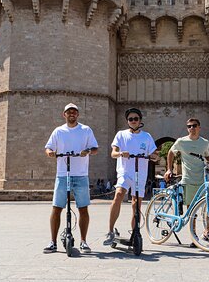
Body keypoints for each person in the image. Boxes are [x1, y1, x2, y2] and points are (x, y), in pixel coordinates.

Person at [43, 103, 98, 254]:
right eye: (69, 112)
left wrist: (87, 151)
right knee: (56, 208)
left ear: (78, 115)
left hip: (81, 175)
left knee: (83, 208)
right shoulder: (58, 131)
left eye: (74, 112)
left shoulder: (86, 130)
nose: (72, 114)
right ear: (64, 114)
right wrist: (50, 153)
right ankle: (52, 242)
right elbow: (48, 147)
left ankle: (83, 241)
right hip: (62, 174)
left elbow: (95, 148)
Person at [104, 108, 158, 245]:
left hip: (140, 173)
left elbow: (155, 154)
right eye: (130, 119)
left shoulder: (147, 137)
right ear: (127, 121)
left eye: (136, 119)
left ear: (140, 121)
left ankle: (135, 233)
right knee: (119, 194)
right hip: (125, 172)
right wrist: (121, 153)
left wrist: (154, 156)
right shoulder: (121, 135)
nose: (133, 121)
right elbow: (113, 153)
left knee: (136, 204)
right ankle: (110, 231)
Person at [165, 118, 209, 246]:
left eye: (194, 126)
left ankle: (208, 232)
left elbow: (207, 155)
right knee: (191, 209)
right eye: (189, 126)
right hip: (188, 179)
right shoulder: (181, 141)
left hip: (203, 179)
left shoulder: (205, 142)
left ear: (199, 127)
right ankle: (193, 236)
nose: (192, 128)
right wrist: (169, 169)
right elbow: (170, 152)